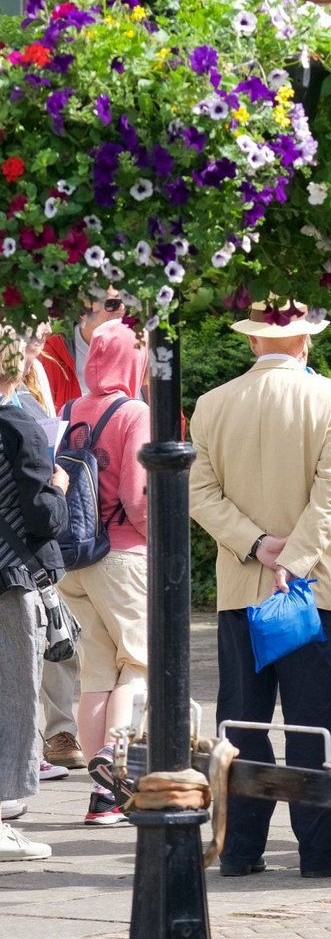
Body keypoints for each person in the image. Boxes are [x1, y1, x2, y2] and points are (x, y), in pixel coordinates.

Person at [189, 301, 331, 879]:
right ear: (305, 342)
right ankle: (319, 851)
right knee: (319, 724)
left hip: (243, 583)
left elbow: (200, 494)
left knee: (241, 723)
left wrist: (256, 544)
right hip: (312, 589)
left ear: (253, 343)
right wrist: (297, 558)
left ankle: (238, 848)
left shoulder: (212, 405)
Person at [55, 320, 149, 824]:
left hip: (74, 558)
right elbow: (138, 496)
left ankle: (100, 798)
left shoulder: (70, 409)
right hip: (123, 554)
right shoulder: (134, 411)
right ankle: (116, 771)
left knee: (95, 672)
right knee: (138, 662)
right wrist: (160, 540)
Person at [0, 327, 70, 860]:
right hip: (8, 579)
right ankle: (3, 812)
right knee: (14, 694)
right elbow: (42, 518)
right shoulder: (21, 425)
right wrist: (60, 489)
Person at [15, 325, 85, 772]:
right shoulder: (15, 400)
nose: (39, 336)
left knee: (55, 639)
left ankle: (59, 735)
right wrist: (56, 488)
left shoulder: (40, 371)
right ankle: (26, 755)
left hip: (34, 541)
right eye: (28, 331)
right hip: (25, 540)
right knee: (32, 647)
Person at [40, 289, 126, 410]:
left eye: (127, 301)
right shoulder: (50, 357)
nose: (122, 309)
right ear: (83, 312)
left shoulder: (141, 350)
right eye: (112, 304)